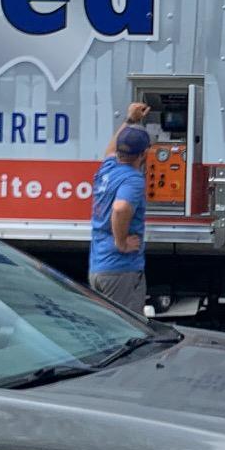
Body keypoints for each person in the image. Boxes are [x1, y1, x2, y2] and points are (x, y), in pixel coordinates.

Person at [88, 101, 152, 315]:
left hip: (99, 266)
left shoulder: (108, 167)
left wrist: (130, 121)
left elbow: (111, 149)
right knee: (127, 330)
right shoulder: (133, 179)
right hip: (121, 269)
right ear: (143, 154)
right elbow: (120, 208)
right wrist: (121, 242)